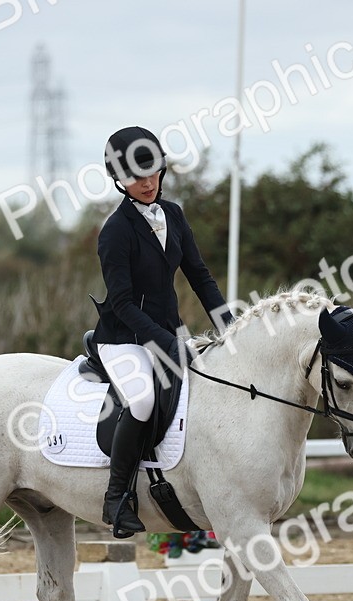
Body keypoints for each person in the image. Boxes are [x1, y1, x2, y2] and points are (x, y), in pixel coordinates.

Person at [91, 125, 233, 538]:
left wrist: (229, 326)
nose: (148, 182)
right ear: (118, 180)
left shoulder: (173, 214)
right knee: (142, 400)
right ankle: (117, 497)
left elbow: (200, 277)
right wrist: (165, 342)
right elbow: (120, 303)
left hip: (171, 332)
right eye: (136, 177)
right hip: (124, 339)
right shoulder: (115, 232)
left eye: (153, 172)